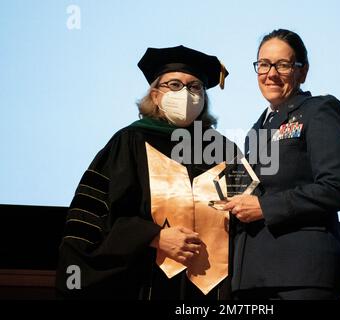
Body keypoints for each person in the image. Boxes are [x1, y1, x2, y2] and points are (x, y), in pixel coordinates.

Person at [55, 45, 235, 299]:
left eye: (195, 87)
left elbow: (245, 219)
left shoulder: (225, 152)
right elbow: (97, 217)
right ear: (155, 95)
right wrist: (153, 236)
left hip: (217, 292)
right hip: (146, 283)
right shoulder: (129, 143)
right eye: (174, 85)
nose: (185, 93)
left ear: (204, 97)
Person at [224, 29, 340, 300]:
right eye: (263, 64)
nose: (271, 73)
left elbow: (337, 187)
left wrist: (264, 207)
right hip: (251, 280)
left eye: (282, 65)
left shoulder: (319, 110)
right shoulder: (255, 130)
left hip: (302, 276)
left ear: (302, 71)